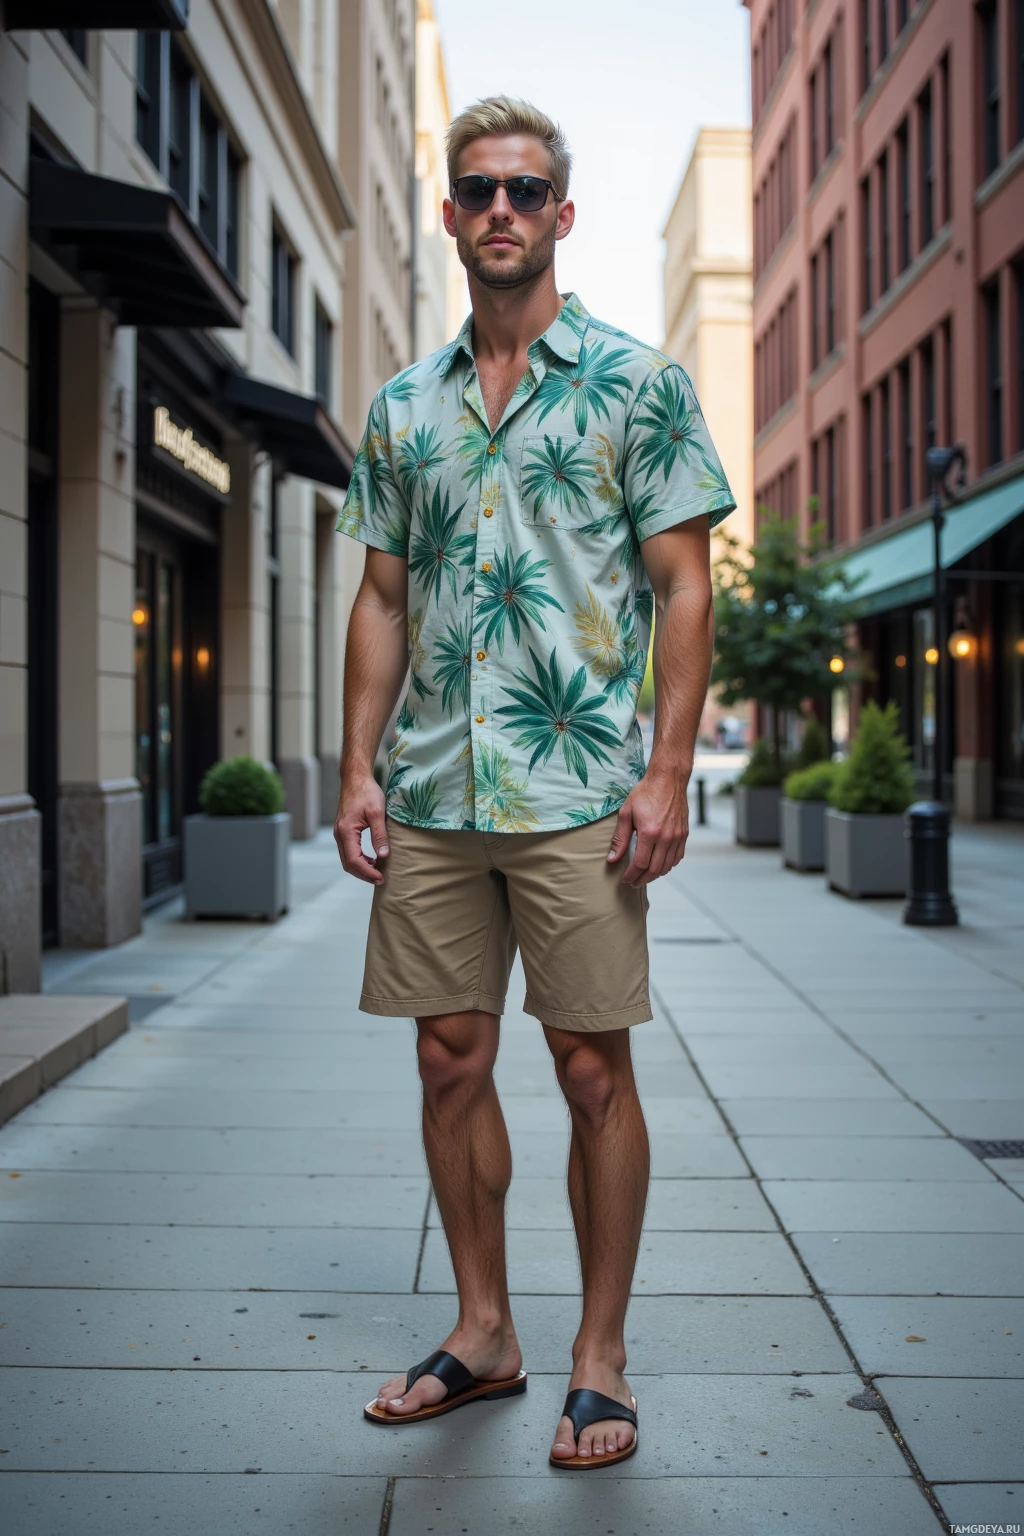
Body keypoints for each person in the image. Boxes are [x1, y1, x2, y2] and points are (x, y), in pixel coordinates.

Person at [333, 96, 735, 1469]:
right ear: (449, 216)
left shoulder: (639, 384)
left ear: (563, 214)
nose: (500, 209)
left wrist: (669, 770)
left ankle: (601, 1355)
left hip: (577, 792)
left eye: (525, 189)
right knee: (451, 1063)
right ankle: (484, 1329)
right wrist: (355, 770)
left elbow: (686, 587)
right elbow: (380, 599)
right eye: (478, 190)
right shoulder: (402, 407)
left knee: (588, 1071)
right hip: (438, 791)